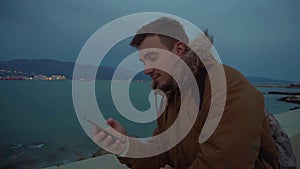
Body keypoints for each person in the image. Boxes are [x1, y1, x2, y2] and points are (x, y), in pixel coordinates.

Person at [93, 17, 279, 169]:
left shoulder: (226, 86)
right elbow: (160, 153)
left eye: (152, 57)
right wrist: (123, 144)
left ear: (179, 50)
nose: (147, 70)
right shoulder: (172, 96)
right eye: (143, 62)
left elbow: (222, 162)